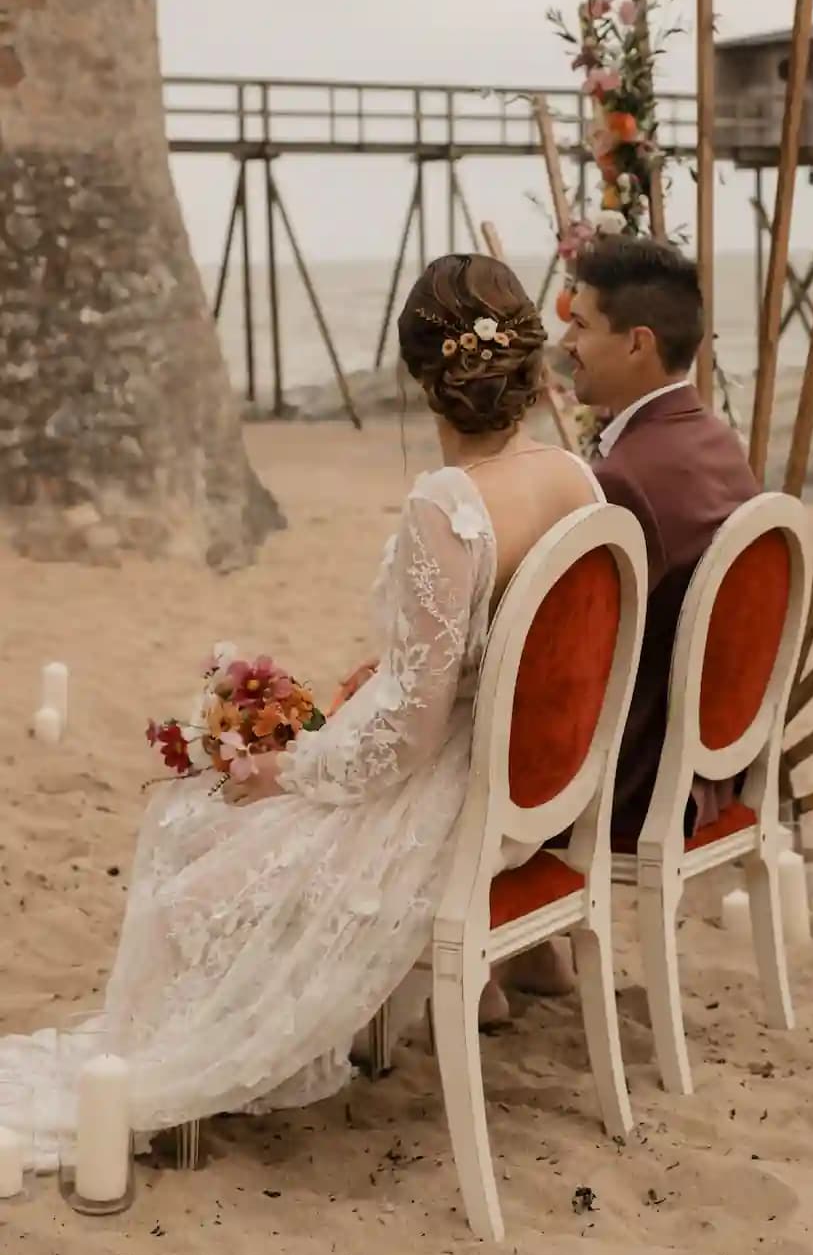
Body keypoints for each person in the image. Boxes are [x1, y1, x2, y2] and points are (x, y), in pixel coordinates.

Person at [0, 253, 603, 1157]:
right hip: (530, 790)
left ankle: (177, 1076)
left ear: (419, 376)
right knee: (227, 812)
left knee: (189, 824)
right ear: (523, 365)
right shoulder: (575, 480)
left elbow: (409, 733)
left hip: (451, 797)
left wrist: (287, 765)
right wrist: (389, 679)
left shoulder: (448, 503)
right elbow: (498, 652)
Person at [562, 234, 759, 846]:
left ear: (636, 342)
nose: (567, 344)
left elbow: (574, 652)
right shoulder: (718, 443)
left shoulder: (624, 478)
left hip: (635, 788)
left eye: (582, 325)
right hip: (713, 771)